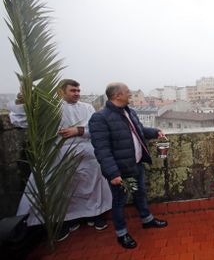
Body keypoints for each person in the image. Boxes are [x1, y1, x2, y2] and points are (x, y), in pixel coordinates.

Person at [16, 79, 112, 241]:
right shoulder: (51, 108)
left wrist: (78, 130)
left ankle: (94, 215)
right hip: (61, 154)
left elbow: (97, 128)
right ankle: (69, 220)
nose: (77, 94)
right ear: (61, 92)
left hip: (87, 153)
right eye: (73, 91)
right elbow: (24, 121)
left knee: (92, 186)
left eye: (78, 90)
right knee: (67, 189)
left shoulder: (87, 107)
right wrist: (22, 101)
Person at [89, 82, 168, 249]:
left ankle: (147, 220)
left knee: (140, 194)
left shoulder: (129, 112)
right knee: (119, 201)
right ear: (117, 95)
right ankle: (122, 234)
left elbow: (138, 131)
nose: (130, 94)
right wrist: (113, 173)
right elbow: (102, 149)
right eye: (127, 92)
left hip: (136, 164)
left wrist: (155, 132)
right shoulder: (100, 118)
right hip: (120, 170)